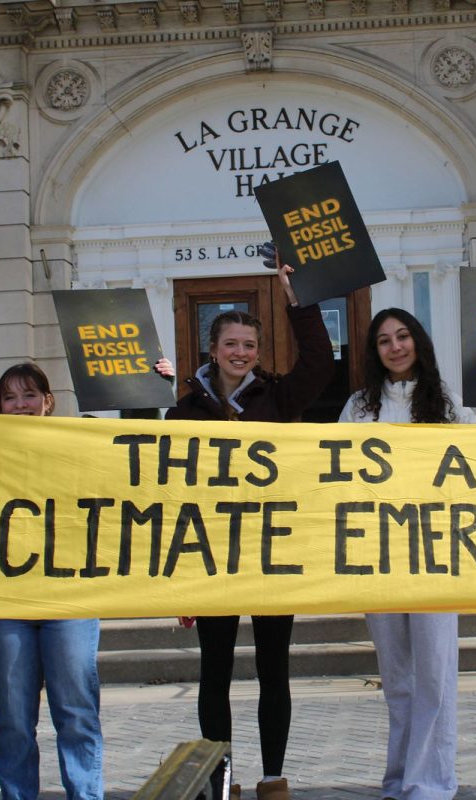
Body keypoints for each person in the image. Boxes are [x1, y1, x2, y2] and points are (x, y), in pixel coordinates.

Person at [337, 307, 476, 800]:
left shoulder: (447, 401)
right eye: (384, 341)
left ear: (419, 342)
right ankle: (398, 781)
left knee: (434, 674)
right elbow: (338, 468)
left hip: (438, 553)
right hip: (380, 556)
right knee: (398, 680)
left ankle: (429, 784)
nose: (395, 347)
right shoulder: (358, 407)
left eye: (403, 336)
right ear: (374, 352)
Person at [165, 253, 335, 800]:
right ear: (212, 350)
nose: (241, 353)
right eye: (231, 344)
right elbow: (170, 494)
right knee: (215, 674)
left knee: (272, 670)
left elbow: (320, 362)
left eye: (249, 345)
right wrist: (178, 577)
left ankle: (271, 778)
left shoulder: (278, 399)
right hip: (210, 555)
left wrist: (293, 294)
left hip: (270, 551)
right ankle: (223, 782)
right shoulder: (184, 413)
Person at [0, 361, 105, 800]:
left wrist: (145, 393)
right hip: (7, 603)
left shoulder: (77, 447)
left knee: (76, 711)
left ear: (48, 402)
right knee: (13, 717)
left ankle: (85, 795)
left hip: (67, 600)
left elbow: (131, 474)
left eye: (29, 395)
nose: (20, 405)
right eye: (9, 398)